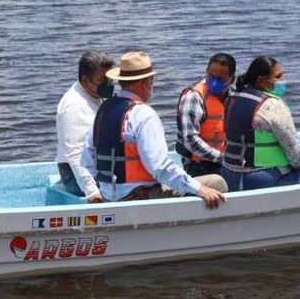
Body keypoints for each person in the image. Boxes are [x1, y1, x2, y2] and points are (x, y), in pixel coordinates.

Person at [82, 51, 227, 207]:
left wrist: (109, 189)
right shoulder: (143, 114)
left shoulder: (104, 109)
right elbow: (160, 168)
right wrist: (200, 189)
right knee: (216, 183)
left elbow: (87, 159)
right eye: (152, 79)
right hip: (141, 198)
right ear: (145, 83)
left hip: (109, 195)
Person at [219, 55, 300, 190]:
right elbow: (296, 158)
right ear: (261, 81)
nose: (283, 81)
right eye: (278, 77)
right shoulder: (272, 105)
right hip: (259, 179)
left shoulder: (231, 99)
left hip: (228, 176)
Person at [55, 50, 114, 202]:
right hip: (75, 178)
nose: (108, 84)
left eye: (110, 78)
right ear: (86, 80)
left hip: (99, 168)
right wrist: (92, 191)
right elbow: (75, 152)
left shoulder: (95, 96)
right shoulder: (74, 106)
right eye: (103, 80)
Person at [175, 53, 236, 179]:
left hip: (223, 160)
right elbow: (190, 140)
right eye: (211, 76)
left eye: (221, 78)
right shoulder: (194, 97)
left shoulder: (234, 97)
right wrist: (222, 158)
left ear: (232, 79)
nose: (215, 81)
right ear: (206, 72)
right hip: (198, 164)